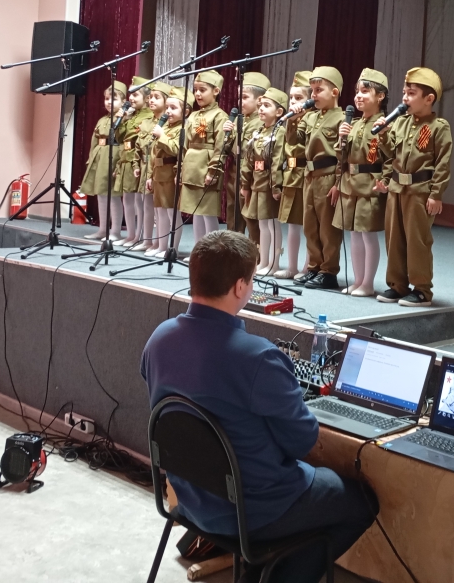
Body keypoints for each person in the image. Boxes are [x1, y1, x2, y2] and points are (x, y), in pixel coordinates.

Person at [141, 231, 378, 583]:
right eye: (251, 280)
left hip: (189, 499)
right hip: (254, 511)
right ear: (240, 287)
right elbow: (302, 442)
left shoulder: (159, 339)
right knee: (362, 502)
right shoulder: (258, 358)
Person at [375, 67, 452, 307]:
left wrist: (436, 194)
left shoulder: (439, 126)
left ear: (428, 99)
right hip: (397, 189)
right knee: (394, 239)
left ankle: (421, 290)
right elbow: (390, 153)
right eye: (404, 93)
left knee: (417, 241)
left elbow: (443, 163)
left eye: (411, 93)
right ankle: (397, 285)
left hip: (419, 191)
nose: (405, 98)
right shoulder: (401, 123)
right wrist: (384, 135)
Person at [286, 67, 345, 290]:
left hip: (328, 175)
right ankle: (314, 267)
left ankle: (328, 271)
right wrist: (293, 119)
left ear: (335, 92)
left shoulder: (341, 119)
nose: (313, 95)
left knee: (327, 229)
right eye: (312, 91)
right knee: (310, 226)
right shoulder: (310, 117)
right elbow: (294, 141)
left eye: (319, 90)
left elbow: (343, 156)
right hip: (309, 176)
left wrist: (338, 183)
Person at [334, 68, 389, 297]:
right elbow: (342, 157)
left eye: (365, 91)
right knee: (354, 234)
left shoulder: (384, 124)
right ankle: (357, 280)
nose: (358, 96)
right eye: (357, 91)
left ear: (380, 96)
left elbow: (386, 157)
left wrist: (384, 181)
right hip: (350, 183)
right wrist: (341, 138)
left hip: (370, 184)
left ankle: (368, 283)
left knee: (368, 235)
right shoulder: (354, 124)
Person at [241, 88, 287, 276]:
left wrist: (276, 186)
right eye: (260, 105)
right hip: (257, 182)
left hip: (269, 183)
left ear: (279, 112)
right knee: (262, 224)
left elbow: (277, 161)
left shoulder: (280, 132)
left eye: (267, 106)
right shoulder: (259, 132)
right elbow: (248, 160)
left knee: (272, 224)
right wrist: (246, 184)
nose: (261, 109)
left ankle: (274, 263)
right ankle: (264, 261)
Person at [181, 70, 230, 244]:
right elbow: (185, 144)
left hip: (206, 168)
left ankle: (212, 250)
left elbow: (220, 146)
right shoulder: (193, 115)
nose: (198, 94)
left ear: (216, 91)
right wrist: (181, 169)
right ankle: (199, 249)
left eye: (203, 90)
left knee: (208, 212)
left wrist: (213, 170)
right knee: (196, 211)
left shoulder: (219, 116)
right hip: (191, 168)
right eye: (196, 90)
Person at [273, 71, 312, 280]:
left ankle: (308, 267)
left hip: (306, 175)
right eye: (291, 97)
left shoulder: (312, 120)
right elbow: (286, 147)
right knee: (292, 225)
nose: (293, 102)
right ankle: (292, 266)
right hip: (291, 175)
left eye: (299, 98)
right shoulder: (291, 121)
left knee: (308, 225)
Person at [224, 71, 271, 242]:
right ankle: (233, 248)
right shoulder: (240, 120)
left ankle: (254, 251)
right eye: (239, 97)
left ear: (259, 100)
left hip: (252, 174)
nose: (240, 102)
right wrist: (227, 133)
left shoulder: (263, 122)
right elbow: (228, 149)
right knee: (233, 213)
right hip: (235, 171)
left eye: (244, 97)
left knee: (251, 216)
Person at [79, 81, 127, 241]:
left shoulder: (124, 120)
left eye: (114, 99)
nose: (109, 102)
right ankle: (102, 229)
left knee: (113, 195)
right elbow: (95, 141)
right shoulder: (102, 120)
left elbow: (125, 140)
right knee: (101, 194)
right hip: (100, 158)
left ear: (123, 101)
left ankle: (115, 231)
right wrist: (91, 159)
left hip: (114, 157)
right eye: (106, 99)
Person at [146, 87, 190, 258]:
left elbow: (177, 149)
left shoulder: (182, 129)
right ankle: (162, 246)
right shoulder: (165, 127)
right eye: (167, 108)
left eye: (173, 108)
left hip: (171, 173)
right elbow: (153, 154)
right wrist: (150, 175)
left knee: (172, 212)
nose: (168, 111)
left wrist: (162, 136)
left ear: (185, 112)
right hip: (159, 173)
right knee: (160, 212)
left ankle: (173, 248)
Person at [113, 76, 153, 247]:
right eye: (131, 94)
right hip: (126, 159)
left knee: (139, 201)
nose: (131, 98)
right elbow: (120, 137)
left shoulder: (148, 116)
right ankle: (131, 235)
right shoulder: (131, 115)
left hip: (138, 160)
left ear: (147, 98)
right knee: (128, 199)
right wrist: (121, 119)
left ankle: (141, 236)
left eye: (136, 94)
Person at [131, 81, 169, 254]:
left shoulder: (168, 124)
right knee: (145, 205)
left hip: (159, 167)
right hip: (145, 166)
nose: (152, 100)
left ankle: (159, 243)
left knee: (159, 209)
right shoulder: (146, 123)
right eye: (151, 97)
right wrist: (136, 164)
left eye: (157, 97)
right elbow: (138, 147)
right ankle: (147, 240)